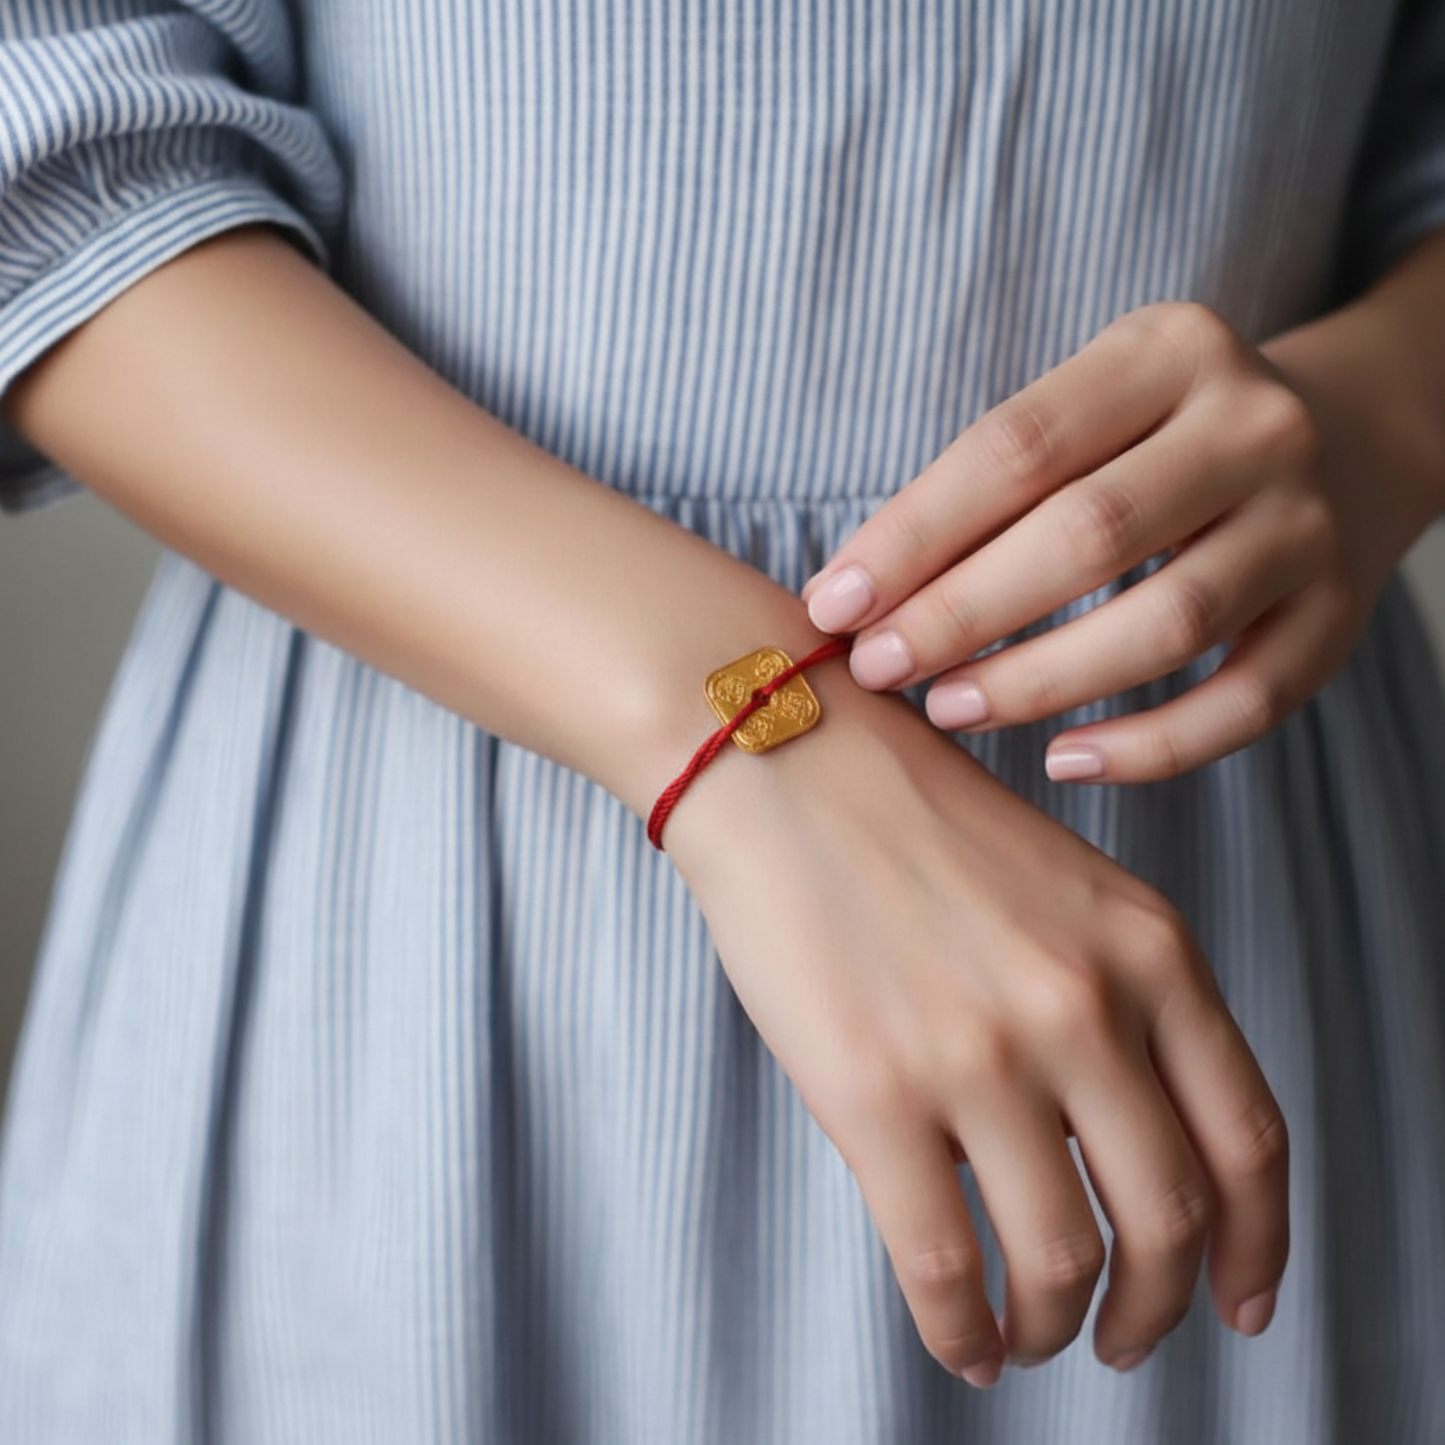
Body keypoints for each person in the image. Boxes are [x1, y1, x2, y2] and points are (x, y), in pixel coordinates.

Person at [1, 1, 1443, 1441]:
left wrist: (1374, 421)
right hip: (439, 906)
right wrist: (743, 733)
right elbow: (50, 143)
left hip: (1233, 889)